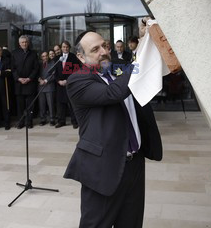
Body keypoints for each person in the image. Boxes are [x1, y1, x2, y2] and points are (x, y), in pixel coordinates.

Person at [65, 31, 163, 228]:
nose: (104, 51)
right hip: (103, 167)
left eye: (105, 46)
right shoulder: (78, 80)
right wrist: (140, 61)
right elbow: (113, 93)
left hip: (135, 163)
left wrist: (146, 38)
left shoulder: (119, 71)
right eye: (95, 49)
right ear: (81, 57)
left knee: (131, 223)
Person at [12, 36, 39, 129]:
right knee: (20, 105)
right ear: (19, 44)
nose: (24, 44)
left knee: (30, 105)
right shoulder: (14, 53)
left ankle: (29, 122)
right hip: (19, 84)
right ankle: (21, 121)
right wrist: (18, 78)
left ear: (28, 43)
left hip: (30, 83)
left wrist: (29, 78)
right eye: (22, 42)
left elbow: (36, 68)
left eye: (26, 42)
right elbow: (13, 69)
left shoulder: (33, 53)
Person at [54, 40, 81, 129]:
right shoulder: (57, 58)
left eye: (66, 47)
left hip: (70, 84)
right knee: (60, 104)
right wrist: (58, 81)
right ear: (61, 48)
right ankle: (61, 121)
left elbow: (76, 71)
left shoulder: (73, 57)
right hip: (60, 84)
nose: (65, 48)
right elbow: (55, 72)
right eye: (63, 47)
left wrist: (67, 80)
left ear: (69, 48)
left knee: (71, 104)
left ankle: (74, 121)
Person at [38, 51, 56, 126]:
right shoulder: (39, 64)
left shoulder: (52, 63)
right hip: (40, 86)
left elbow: (54, 74)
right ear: (41, 57)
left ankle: (52, 119)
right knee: (41, 104)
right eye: (43, 56)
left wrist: (45, 80)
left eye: (46, 56)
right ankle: (43, 119)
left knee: (50, 104)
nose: (45, 57)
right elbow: (36, 73)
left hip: (49, 86)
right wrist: (39, 80)